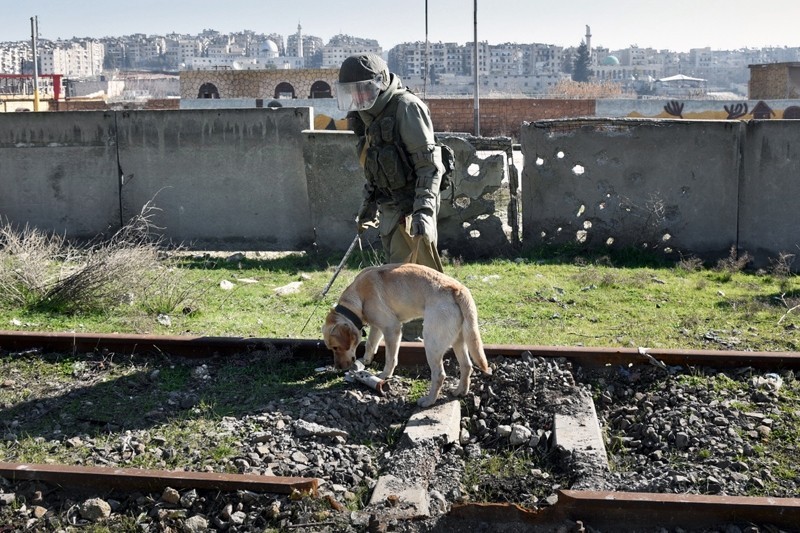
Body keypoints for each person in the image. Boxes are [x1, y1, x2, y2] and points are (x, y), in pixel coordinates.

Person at [336, 53, 445, 340]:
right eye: (352, 91)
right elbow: (374, 166)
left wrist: (424, 211)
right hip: (388, 206)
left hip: (413, 204)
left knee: (421, 274)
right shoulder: (363, 115)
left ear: (379, 84)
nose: (357, 97)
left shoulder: (407, 108)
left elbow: (429, 166)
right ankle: (410, 337)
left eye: (363, 88)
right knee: (398, 276)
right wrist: (367, 207)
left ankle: (428, 336)